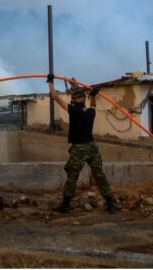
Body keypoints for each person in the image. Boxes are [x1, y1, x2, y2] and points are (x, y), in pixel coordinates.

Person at [47, 74, 116, 214]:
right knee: (99, 175)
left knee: (72, 176)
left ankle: (65, 206)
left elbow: (55, 97)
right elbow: (93, 106)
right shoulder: (90, 113)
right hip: (92, 147)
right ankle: (110, 204)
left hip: (79, 149)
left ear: (77, 100)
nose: (72, 100)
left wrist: (50, 82)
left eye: (73, 98)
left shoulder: (74, 111)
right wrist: (93, 96)